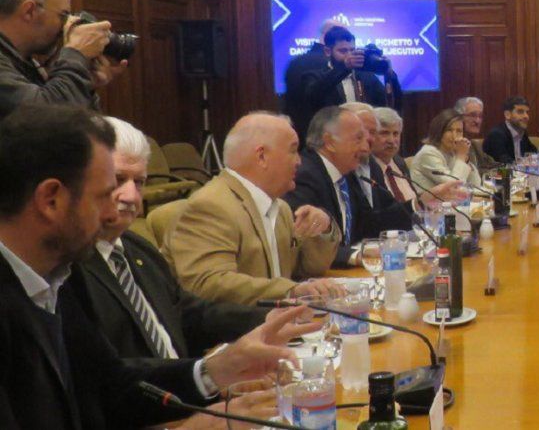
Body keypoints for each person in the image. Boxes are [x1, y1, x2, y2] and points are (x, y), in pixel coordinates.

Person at [0, 103, 318, 429]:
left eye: (138, 182)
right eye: (103, 195)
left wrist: (216, 371)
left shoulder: (54, 279)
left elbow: (108, 386)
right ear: (51, 199)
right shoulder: (55, 279)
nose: (113, 212)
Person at [69, 116, 268, 362]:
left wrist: (268, 318)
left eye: (139, 182)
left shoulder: (139, 248)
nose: (131, 196)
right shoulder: (69, 269)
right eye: (118, 180)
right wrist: (204, 376)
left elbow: (188, 315)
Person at [165, 112, 343, 305]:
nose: (299, 161)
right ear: (262, 156)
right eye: (293, 151)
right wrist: (289, 292)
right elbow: (208, 284)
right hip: (238, 324)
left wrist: (322, 228)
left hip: (279, 319)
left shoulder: (280, 207)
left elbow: (308, 269)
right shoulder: (211, 206)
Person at [285, 106, 410, 268]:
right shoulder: (304, 176)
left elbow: (369, 224)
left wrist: (418, 205)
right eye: (358, 139)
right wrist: (355, 255)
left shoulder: (346, 174)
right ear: (330, 142)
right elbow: (307, 245)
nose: (365, 148)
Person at [0, 0, 123, 120]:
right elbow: (42, 118)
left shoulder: (27, 63)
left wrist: (83, 84)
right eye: (63, 16)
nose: (65, 26)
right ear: (29, 11)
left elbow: (78, 129)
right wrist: (76, 55)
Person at [292, 26, 387, 146]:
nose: (349, 55)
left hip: (364, 140)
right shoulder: (314, 76)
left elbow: (385, 105)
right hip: (331, 141)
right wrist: (344, 68)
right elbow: (314, 94)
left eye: (352, 50)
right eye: (343, 51)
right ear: (328, 51)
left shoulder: (366, 77)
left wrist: (388, 71)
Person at [411, 108, 483, 191]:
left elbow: (476, 185)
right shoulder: (428, 153)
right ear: (439, 131)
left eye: (459, 131)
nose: (454, 135)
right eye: (449, 130)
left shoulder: (452, 152)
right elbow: (454, 187)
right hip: (428, 199)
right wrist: (461, 156)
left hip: (450, 199)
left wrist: (466, 160)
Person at [482, 96, 536, 163]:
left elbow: (534, 152)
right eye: (520, 112)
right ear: (507, 115)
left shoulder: (522, 133)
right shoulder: (496, 134)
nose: (526, 116)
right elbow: (504, 161)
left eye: (527, 112)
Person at [455, 95, 499, 170]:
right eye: (472, 115)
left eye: (480, 116)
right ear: (458, 117)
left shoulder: (475, 145)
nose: (477, 121)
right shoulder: (452, 145)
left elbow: (496, 167)